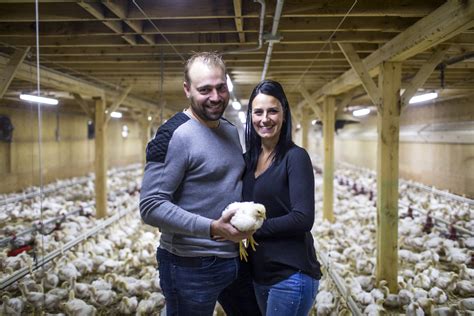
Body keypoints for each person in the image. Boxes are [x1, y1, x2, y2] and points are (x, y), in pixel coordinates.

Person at [139, 52, 260, 316]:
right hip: (189, 265)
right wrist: (213, 229)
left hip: (234, 258)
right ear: (187, 89)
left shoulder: (228, 130)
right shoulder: (173, 135)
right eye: (205, 90)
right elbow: (150, 206)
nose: (215, 97)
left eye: (221, 87)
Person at [242, 80, 322, 315]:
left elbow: (303, 218)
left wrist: (251, 230)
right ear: (251, 116)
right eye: (258, 112)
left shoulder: (295, 158)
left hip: (291, 274)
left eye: (272, 111)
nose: (265, 119)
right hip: (259, 275)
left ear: (284, 115)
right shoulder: (247, 161)